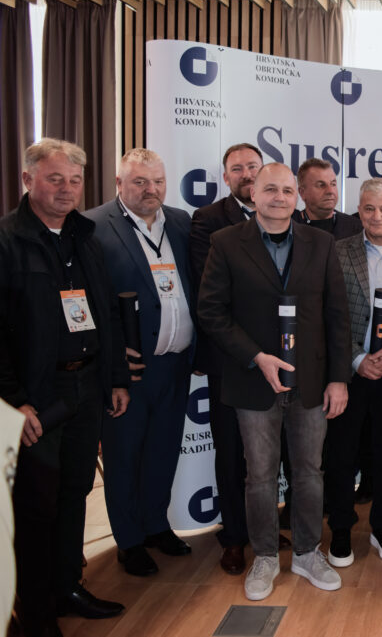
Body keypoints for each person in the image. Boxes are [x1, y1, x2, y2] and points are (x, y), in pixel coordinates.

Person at [197, 163, 350, 601]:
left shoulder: (321, 243)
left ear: (296, 196)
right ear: (254, 193)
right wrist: (255, 357)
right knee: (260, 476)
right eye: (270, 189)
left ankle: (306, 552)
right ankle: (264, 556)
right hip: (253, 381)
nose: (279, 197)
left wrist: (339, 379)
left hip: (311, 381)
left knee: (310, 472)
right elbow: (211, 312)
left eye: (286, 190)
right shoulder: (226, 242)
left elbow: (337, 316)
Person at [2, 139, 130, 635]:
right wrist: (15, 402)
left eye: (75, 180)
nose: (67, 189)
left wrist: (115, 378)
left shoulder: (85, 238)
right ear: (27, 180)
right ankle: (33, 611)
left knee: (76, 491)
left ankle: (67, 587)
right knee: (36, 504)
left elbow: (106, 313)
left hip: (87, 385)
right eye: (55, 178)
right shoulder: (7, 241)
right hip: (37, 394)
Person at [84, 148, 196, 576]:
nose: (151, 190)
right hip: (128, 372)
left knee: (163, 452)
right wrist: (111, 361)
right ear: (119, 184)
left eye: (158, 181)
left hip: (176, 364)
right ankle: (129, 540)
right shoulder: (94, 227)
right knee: (124, 457)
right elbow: (91, 303)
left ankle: (156, 525)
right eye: (140, 182)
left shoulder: (181, 222)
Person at [323, 178, 382, 570]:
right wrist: (357, 359)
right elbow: (326, 317)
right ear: (359, 210)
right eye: (369, 208)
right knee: (341, 456)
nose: (377, 216)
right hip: (348, 373)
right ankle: (341, 529)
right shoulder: (334, 252)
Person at [189, 142, 266, 574]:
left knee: (269, 454)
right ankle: (234, 537)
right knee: (232, 451)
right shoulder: (208, 220)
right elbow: (212, 289)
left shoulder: (284, 215)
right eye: (237, 169)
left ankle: (263, 530)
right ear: (226, 177)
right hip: (229, 358)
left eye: (253, 166)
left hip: (277, 358)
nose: (247, 174)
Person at [294, 157, 362, 239]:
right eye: (321, 185)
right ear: (302, 192)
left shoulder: (357, 228)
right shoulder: (289, 227)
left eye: (333, 184)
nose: (330, 191)